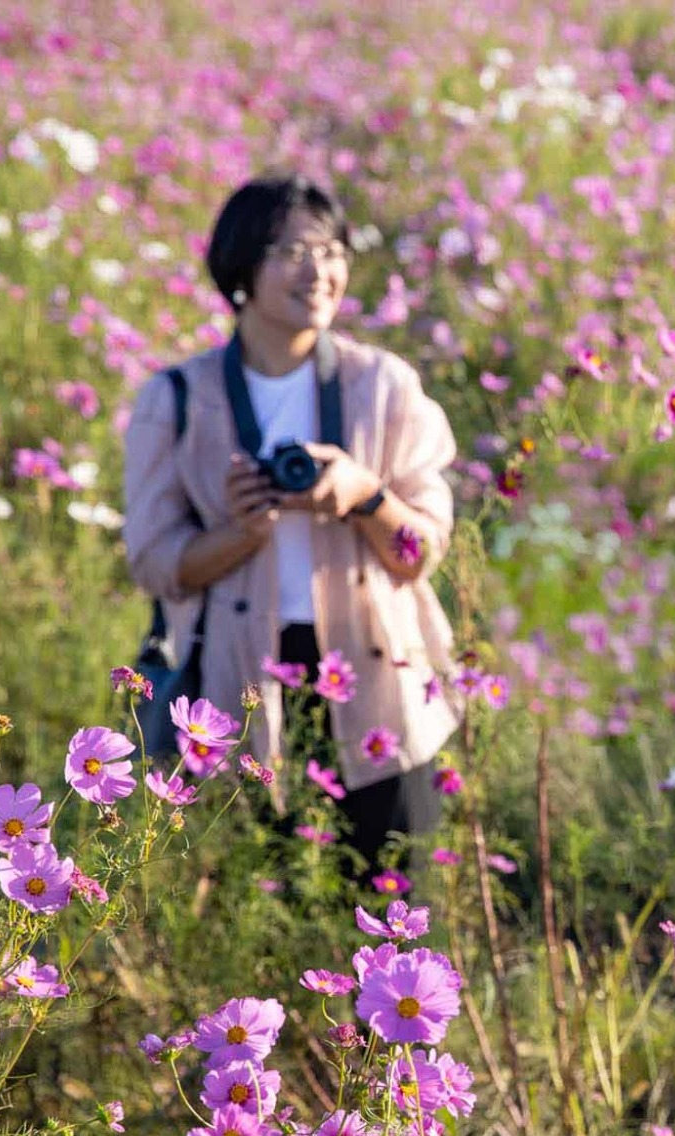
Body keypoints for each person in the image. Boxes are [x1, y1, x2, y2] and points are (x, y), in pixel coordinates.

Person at [122, 173, 462, 874]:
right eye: (290, 251)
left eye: (333, 250)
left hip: (375, 685)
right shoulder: (179, 397)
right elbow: (155, 563)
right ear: (241, 268)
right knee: (261, 899)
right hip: (239, 683)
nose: (320, 270)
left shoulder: (384, 386)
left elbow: (421, 551)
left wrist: (364, 494)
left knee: (394, 902)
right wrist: (242, 531)